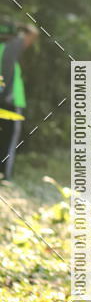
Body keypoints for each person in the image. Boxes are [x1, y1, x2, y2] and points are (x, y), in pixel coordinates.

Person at [0, 19, 38, 181]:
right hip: (10, 101)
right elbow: (32, 34)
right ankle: (5, 176)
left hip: (7, 99)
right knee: (9, 140)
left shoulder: (4, 48)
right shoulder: (11, 47)